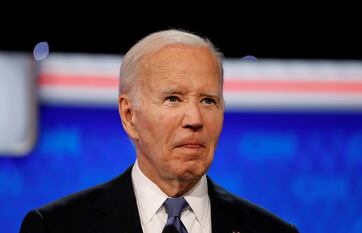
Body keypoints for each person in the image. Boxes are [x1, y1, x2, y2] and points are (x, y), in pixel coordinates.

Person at [19, 29, 299, 233]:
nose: (195, 119)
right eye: (173, 99)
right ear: (129, 115)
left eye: (208, 100)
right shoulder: (57, 227)